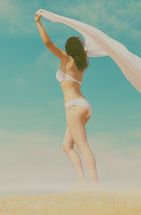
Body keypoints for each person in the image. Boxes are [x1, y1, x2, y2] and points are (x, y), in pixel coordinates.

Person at [35, 13, 100, 191]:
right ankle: (81, 181)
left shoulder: (68, 60)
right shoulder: (81, 64)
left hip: (73, 107)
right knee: (67, 146)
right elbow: (85, 49)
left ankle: (94, 184)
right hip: (84, 106)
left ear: (68, 49)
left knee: (82, 146)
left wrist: (39, 23)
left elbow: (48, 44)